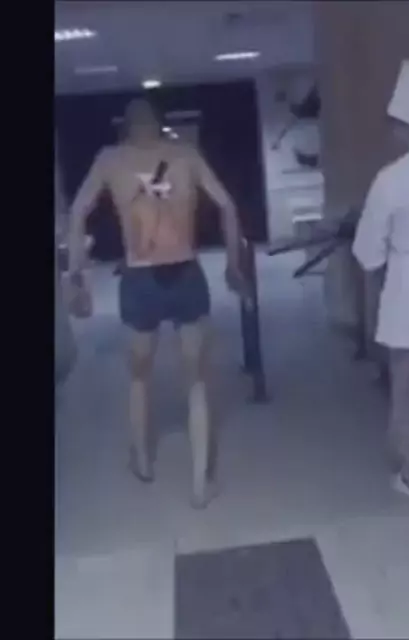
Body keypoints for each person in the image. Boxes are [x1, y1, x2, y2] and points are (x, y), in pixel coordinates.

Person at [67, 99, 245, 508]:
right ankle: (200, 483)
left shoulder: (110, 159)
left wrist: (78, 276)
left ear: (126, 127)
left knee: (139, 378)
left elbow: (77, 213)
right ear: (159, 124)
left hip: (139, 278)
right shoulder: (185, 154)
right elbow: (228, 206)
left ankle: (142, 460)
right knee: (196, 381)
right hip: (186, 274)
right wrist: (233, 264)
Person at [353, 60, 409, 502]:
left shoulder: (391, 180)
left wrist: (371, 305)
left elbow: (368, 253)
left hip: (408, 298)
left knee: (408, 391)